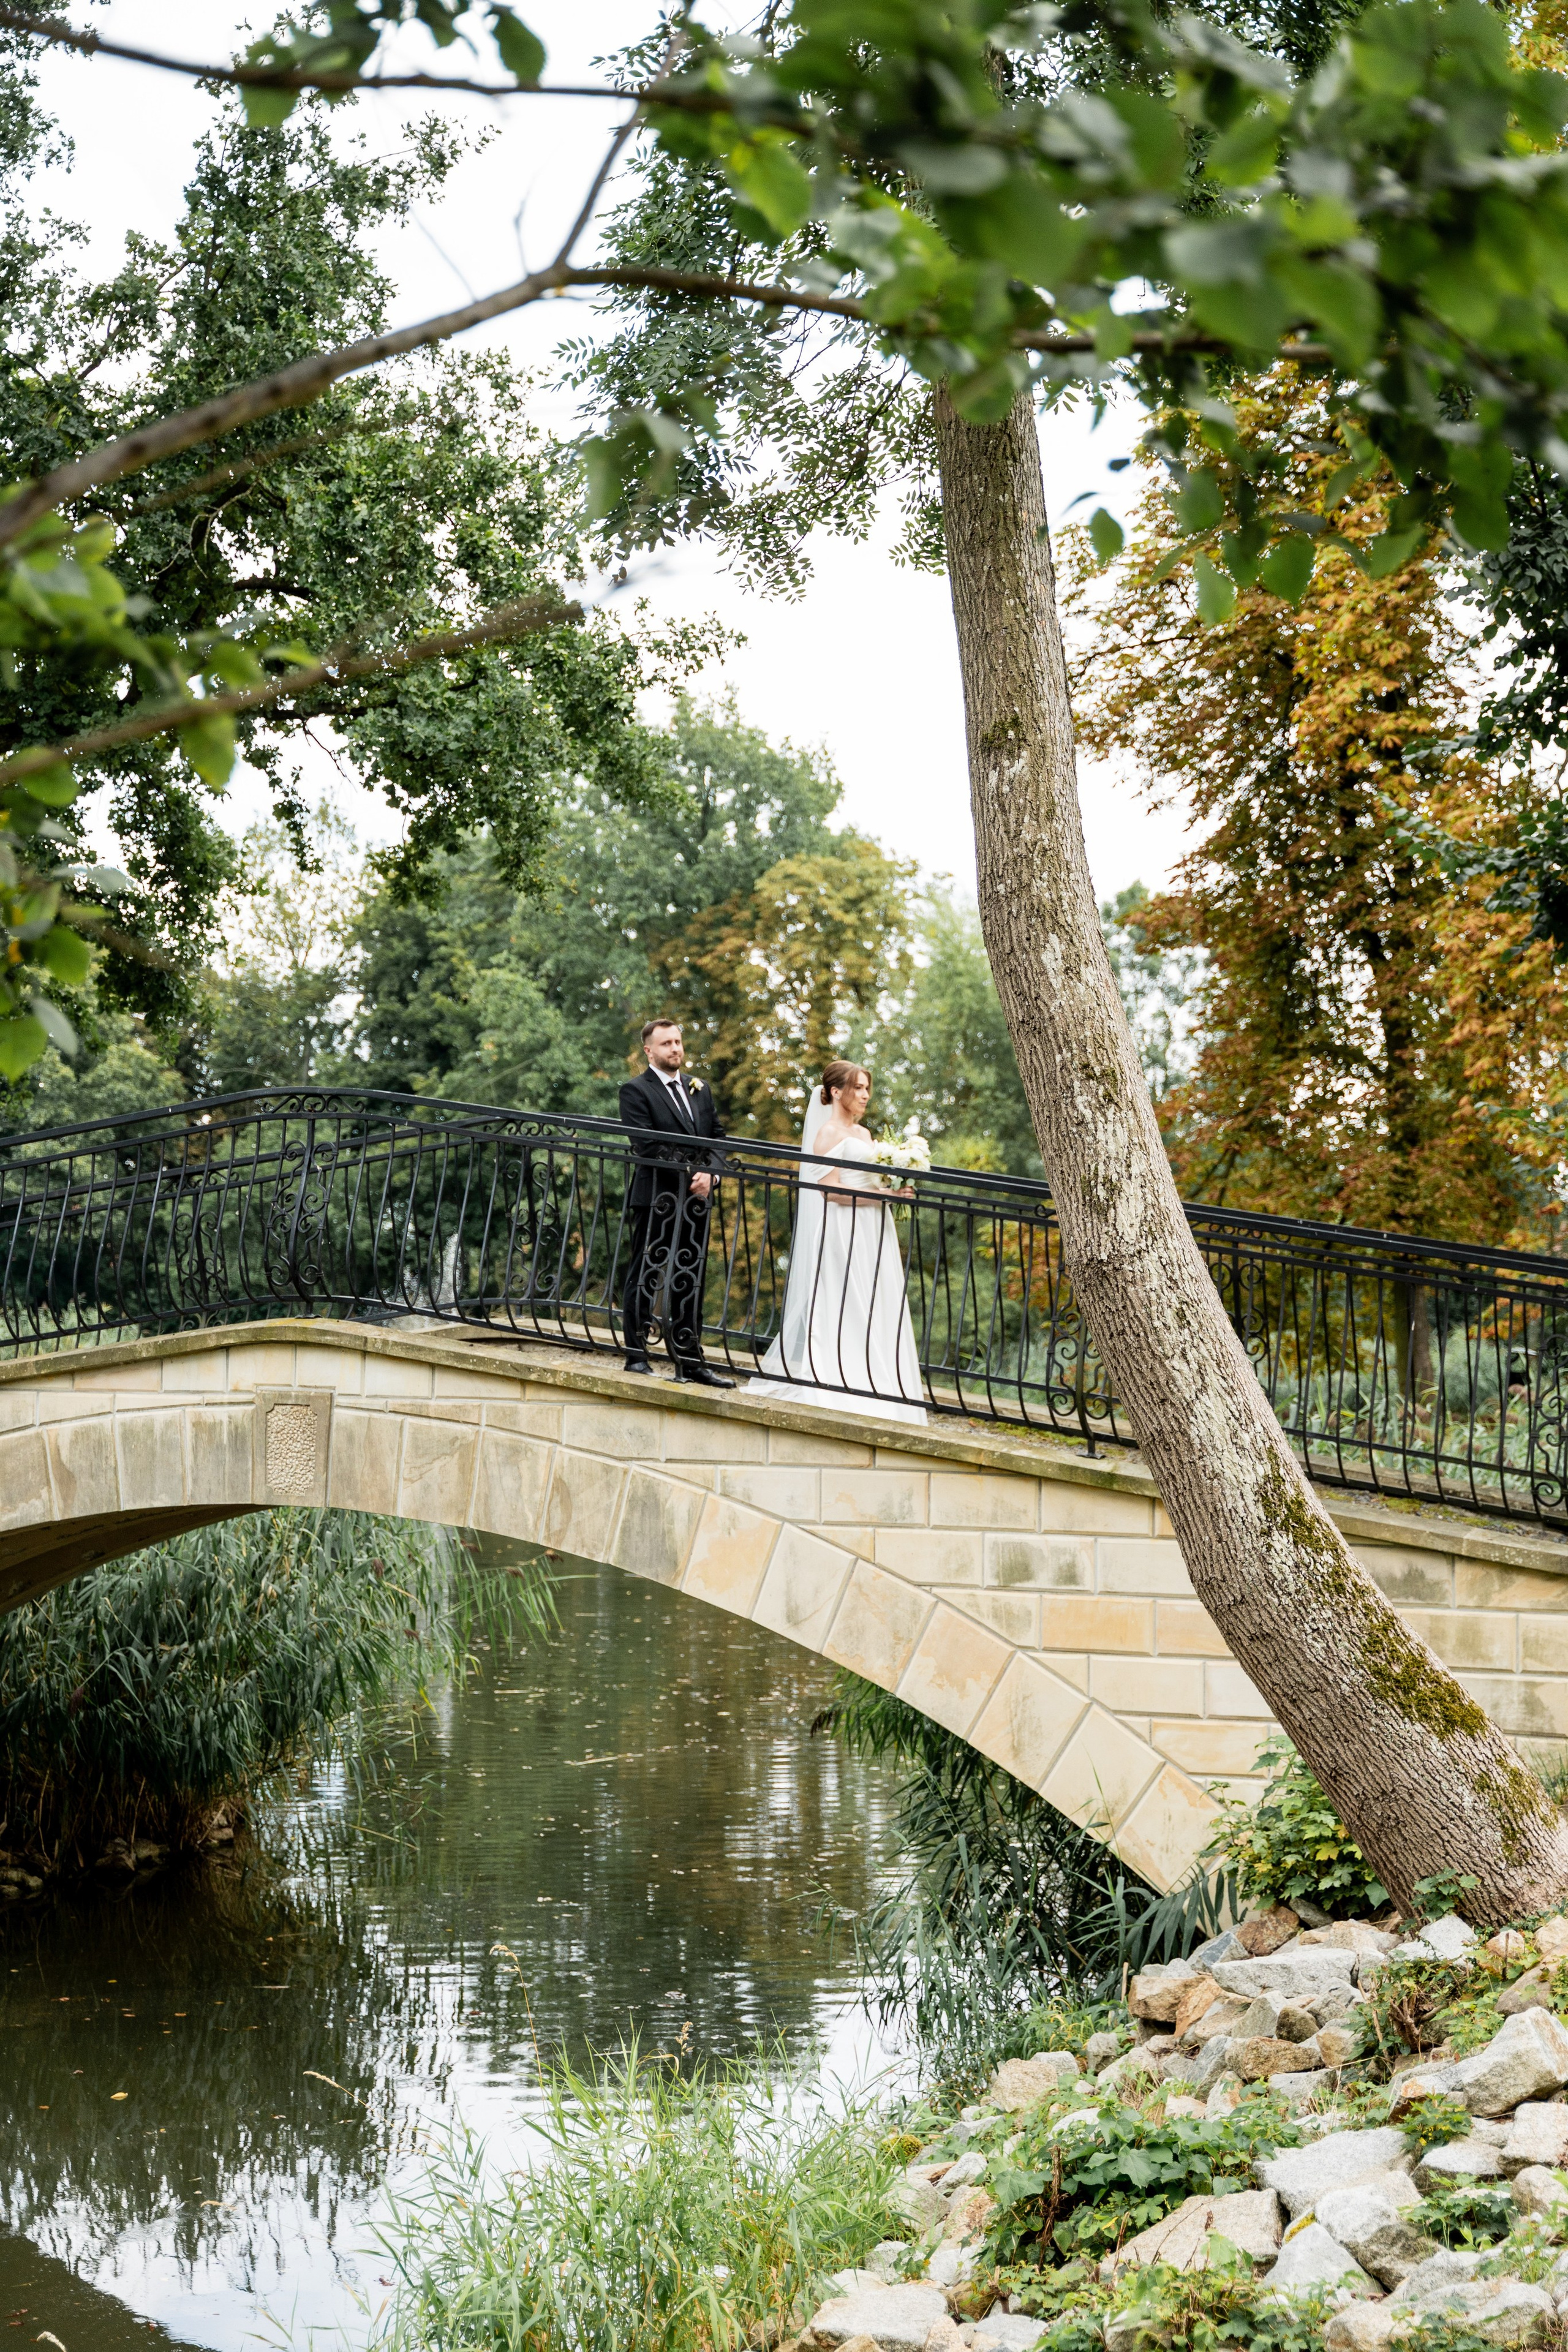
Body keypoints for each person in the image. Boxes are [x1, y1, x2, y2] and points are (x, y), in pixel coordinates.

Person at [748, 1060, 927, 1425]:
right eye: (857, 1088)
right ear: (835, 1092)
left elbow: (872, 1181)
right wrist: (887, 1196)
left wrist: (896, 1185)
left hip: (875, 1228)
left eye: (866, 1088)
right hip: (844, 1229)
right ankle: (842, 1384)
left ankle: (884, 1385)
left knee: (879, 1303)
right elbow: (831, 1192)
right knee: (848, 1303)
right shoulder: (827, 1134)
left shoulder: (864, 1135)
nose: (864, 1095)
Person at [617, 1018, 735, 1388]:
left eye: (679, 1042)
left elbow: (717, 1137)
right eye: (666, 1043)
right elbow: (647, 1145)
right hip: (657, 1199)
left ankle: (691, 1362)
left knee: (691, 1280)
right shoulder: (635, 1090)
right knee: (646, 1274)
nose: (676, 1049)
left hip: (697, 1202)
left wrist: (712, 1175)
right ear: (649, 1051)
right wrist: (691, 1173)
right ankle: (638, 1357)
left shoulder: (699, 1089)